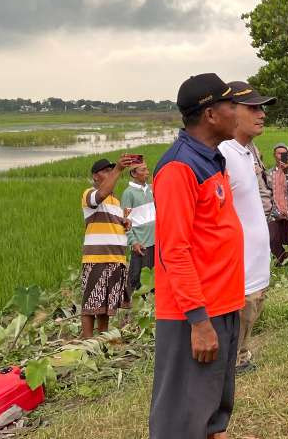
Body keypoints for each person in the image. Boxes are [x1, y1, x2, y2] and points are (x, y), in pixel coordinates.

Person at [149, 73, 243, 439]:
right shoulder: (178, 168)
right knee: (181, 415)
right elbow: (174, 250)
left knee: (213, 401)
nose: (237, 112)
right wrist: (199, 322)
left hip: (222, 303)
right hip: (194, 313)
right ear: (210, 114)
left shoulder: (211, 158)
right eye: (231, 104)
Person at [217, 81, 276, 374]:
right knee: (237, 316)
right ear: (230, 111)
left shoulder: (247, 150)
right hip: (237, 266)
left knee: (250, 311)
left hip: (254, 261)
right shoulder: (222, 154)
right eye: (252, 107)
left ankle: (240, 355)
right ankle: (231, 362)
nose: (261, 113)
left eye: (261, 107)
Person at [81, 155, 136, 338]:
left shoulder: (115, 201)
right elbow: (100, 195)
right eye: (106, 171)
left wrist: (124, 222)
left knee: (105, 305)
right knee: (91, 303)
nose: (110, 173)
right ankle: (88, 342)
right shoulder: (90, 194)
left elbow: (113, 222)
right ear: (95, 176)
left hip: (116, 259)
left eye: (111, 170)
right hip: (97, 258)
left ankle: (102, 339)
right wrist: (118, 169)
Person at [121, 161, 155, 300]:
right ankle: (130, 306)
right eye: (143, 170)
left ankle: (151, 306)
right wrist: (133, 242)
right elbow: (125, 221)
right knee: (137, 278)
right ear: (133, 173)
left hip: (155, 240)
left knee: (153, 278)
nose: (147, 172)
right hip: (141, 243)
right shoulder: (128, 194)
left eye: (147, 169)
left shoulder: (152, 189)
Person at [267, 143, 288, 265]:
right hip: (275, 212)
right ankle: (281, 261)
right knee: (272, 238)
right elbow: (267, 191)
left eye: (284, 153)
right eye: (278, 153)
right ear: (274, 155)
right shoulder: (270, 173)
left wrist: (287, 173)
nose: (281, 155)